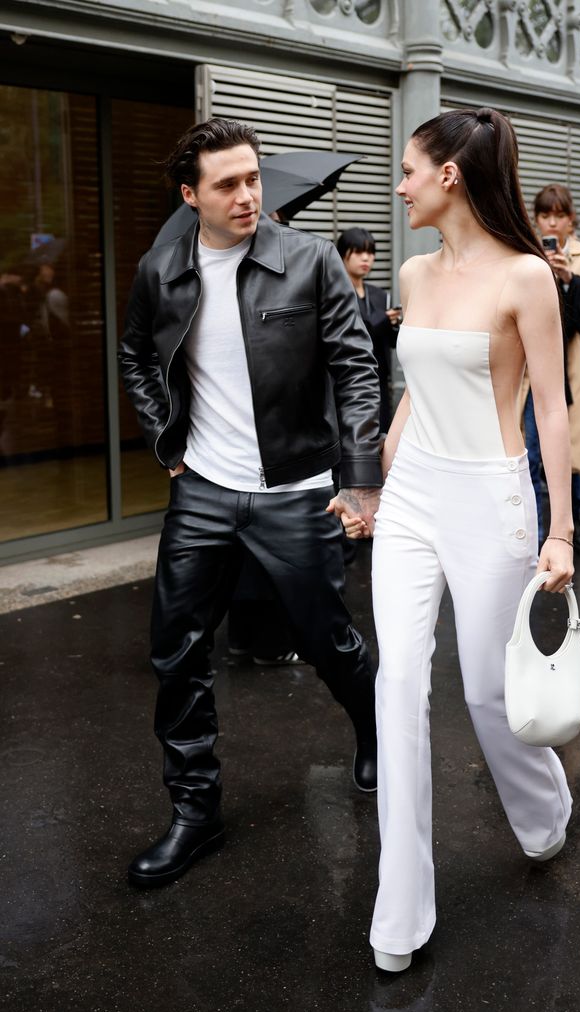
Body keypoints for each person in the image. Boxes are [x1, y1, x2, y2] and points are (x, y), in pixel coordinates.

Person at [337, 108, 574, 973]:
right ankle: (398, 916)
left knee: (485, 691)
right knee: (396, 685)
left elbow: (550, 406)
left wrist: (560, 531)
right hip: (413, 498)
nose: (397, 184)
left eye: (406, 168)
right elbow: (412, 394)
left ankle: (545, 814)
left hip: (490, 497)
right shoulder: (412, 269)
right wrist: (372, 487)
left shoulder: (525, 278)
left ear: (448, 176)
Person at [119, 117, 382, 888]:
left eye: (252, 178)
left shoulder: (308, 261)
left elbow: (355, 368)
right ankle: (194, 814)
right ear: (189, 194)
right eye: (226, 183)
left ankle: (374, 730)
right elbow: (136, 353)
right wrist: (165, 444)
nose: (245, 195)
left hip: (295, 491)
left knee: (325, 637)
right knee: (176, 652)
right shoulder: (160, 269)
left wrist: (359, 479)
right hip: (202, 489)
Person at [522, 185, 580, 553]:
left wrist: (571, 280)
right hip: (528, 373)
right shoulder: (525, 252)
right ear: (535, 218)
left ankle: (573, 522)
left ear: (571, 219)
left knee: (567, 456)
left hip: (568, 372)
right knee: (532, 454)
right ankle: (539, 528)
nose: (552, 222)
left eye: (559, 215)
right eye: (544, 215)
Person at [336, 228, 401, 432]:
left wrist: (395, 325)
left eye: (371, 252)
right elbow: (348, 335)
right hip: (346, 382)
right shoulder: (335, 293)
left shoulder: (380, 295)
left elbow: (391, 342)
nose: (366, 258)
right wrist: (382, 319)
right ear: (342, 254)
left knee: (381, 437)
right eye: (357, 252)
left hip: (379, 380)